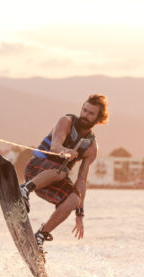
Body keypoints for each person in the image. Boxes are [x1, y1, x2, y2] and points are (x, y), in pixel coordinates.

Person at [20, 94, 108, 256]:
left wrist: (79, 213)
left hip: (52, 181)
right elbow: (55, 145)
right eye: (84, 110)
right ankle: (24, 189)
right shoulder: (66, 121)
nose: (85, 115)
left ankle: (40, 235)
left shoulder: (91, 147)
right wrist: (65, 151)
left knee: (74, 198)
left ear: (98, 119)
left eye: (90, 113)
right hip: (36, 170)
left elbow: (82, 180)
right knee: (62, 172)